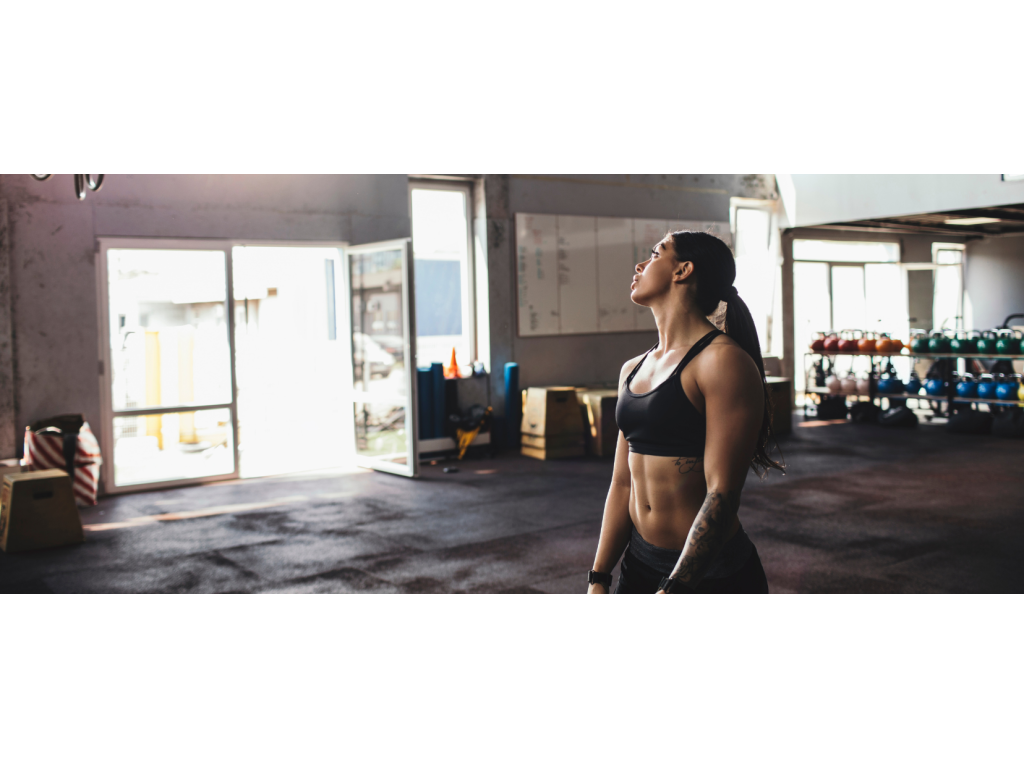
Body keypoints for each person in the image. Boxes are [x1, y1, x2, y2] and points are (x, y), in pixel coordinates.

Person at [587, 230, 784, 594]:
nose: (640, 264)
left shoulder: (722, 362)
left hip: (709, 575)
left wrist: (674, 588)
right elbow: (622, 482)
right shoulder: (632, 368)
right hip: (639, 564)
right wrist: (599, 576)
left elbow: (721, 493)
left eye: (655, 253)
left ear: (683, 271)